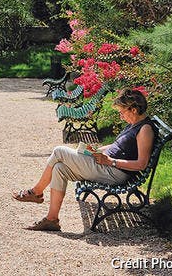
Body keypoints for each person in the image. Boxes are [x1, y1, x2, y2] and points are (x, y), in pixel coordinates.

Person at [11, 88, 155, 232]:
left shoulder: (145, 130)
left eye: (122, 112)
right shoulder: (134, 125)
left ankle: (36, 192)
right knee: (59, 168)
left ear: (134, 109)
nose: (121, 116)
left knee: (59, 151)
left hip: (115, 172)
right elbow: (117, 146)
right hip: (106, 166)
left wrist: (110, 161)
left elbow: (141, 164)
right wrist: (95, 151)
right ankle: (52, 219)